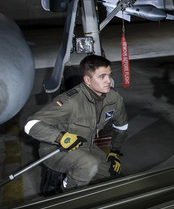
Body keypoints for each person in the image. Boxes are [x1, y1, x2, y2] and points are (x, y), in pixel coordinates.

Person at [24, 55, 128, 195]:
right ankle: (68, 197)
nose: (108, 81)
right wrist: (61, 138)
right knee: (88, 164)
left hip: (86, 147)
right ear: (87, 80)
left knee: (113, 173)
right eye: (102, 76)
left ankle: (72, 174)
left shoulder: (113, 97)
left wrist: (115, 151)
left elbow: (121, 126)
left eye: (109, 75)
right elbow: (31, 125)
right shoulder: (70, 101)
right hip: (56, 148)